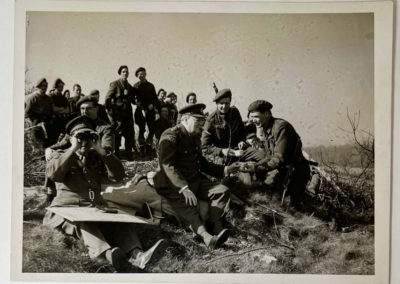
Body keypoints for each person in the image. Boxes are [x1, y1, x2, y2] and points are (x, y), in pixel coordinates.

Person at [43, 116, 163, 272]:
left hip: (94, 207)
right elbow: (54, 175)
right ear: (71, 138)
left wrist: (100, 150)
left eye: (89, 137)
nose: (84, 142)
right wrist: (73, 149)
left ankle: (138, 256)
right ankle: (107, 256)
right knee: (85, 224)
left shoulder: (96, 157)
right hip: (65, 209)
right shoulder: (59, 154)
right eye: (80, 138)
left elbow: (118, 176)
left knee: (119, 223)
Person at [153, 103, 240, 249]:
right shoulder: (171, 135)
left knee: (222, 191)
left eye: (202, 121)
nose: (202, 125)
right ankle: (207, 238)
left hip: (194, 180)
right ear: (185, 119)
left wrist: (226, 169)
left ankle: (216, 226)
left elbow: (203, 164)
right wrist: (183, 188)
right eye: (198, 121)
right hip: (172, 184)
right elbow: (167, 165)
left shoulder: (194, 137)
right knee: (190, 207)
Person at [245, 100, 311, 206]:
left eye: (256, 116)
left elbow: (278, 159)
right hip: (284, 171)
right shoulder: (267, 128)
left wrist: (257, 168)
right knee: (266, 197)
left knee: (292, 210)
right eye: (251, 117)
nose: (253, 120)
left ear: (266, 114)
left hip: (295, 173)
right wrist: (255, 166)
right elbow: (270, 157)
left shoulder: (281, 127)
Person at [201, 89, 246, 165]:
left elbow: (242, 130)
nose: (224, 106)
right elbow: (204, 147)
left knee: (259, 156)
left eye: (227, 103)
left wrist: (242, 140)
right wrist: (221, 151)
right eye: (221, 103)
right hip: (222, 156)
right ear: (217, 104)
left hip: (239, 151)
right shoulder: (210, 120)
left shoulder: (235, 112)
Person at [105, 65, 137, 159]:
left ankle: (128, 153)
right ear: (120, 73)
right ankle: (117, 153)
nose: (125, 73)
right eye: (123, 71)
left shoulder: (129, 86)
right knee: (118, 132)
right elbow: (107, 98)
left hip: (128, 113)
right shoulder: (115, 84)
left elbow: (132, 99)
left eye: (127, 72)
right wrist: (110, 111)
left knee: (130, 132)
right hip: (117, 113)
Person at [133, 67, 160, 149]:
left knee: (152, 128)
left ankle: (149, 145)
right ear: (137, 76)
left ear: (145, 74)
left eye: (142, 74)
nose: (141, 75)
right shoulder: (135, 86)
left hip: (150, 110)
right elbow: (131, 98)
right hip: (140, 110)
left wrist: (152, 104)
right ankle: (141, 146)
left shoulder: (151, 86)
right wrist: (135, 103)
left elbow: (156, 99)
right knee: (141, 128)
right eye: (139, 74)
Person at [24, 78, 53, 150]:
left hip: (46, 121)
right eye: (42, 86)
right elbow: (27, 114)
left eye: (46, 86)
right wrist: (35, 122)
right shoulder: (32, 98)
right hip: (35, 122)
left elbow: (50, 112)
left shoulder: (48, 99)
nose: (44, 88)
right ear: (38, 87)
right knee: (38, 139)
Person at [49, 78, 71, 144]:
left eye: (62, 87)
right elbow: (53, 109)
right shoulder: (50, 96)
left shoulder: (63, 98)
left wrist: (58, 110)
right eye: (59, 87)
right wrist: (62, 109)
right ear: (55, 87)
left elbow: (68, 110)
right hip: (52, 122)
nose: (61, 88)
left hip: (62, 121)